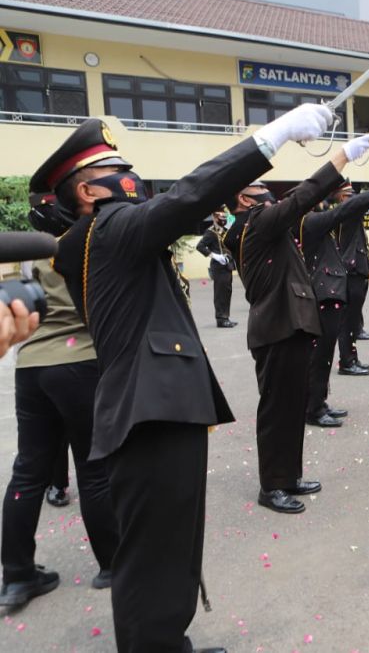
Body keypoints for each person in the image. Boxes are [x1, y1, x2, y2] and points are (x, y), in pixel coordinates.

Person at [36, 105, 332, 653]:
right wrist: (272, 138)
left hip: (156, 408)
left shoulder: (99, 236)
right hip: (152, 412)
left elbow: (186, 211)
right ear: (87, 192)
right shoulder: (109, 226)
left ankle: (168, 643)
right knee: (153, 557)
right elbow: (190, 196)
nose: (128, 176)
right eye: (112, 169)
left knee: (167, 548)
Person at [232, 133, 369, 514]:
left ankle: (289, 476)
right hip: (275, 328)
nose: (268, 198)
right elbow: (302, 197)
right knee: (277, 411)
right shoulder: (257, 224)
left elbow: (297, 203)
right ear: (244, 200)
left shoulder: (267, 225)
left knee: (293, 409)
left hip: (291, 326)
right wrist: (341, 157)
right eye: (260, 193)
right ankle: (272, 486)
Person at [1, 210, 119, 606]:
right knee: (93, 468)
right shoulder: (81, 241)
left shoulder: (27, 252)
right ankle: (112, 565)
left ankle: (17, 576)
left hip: (32, 364)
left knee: (28, 470)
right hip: (79, 359)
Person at [301, 170, 369, 427]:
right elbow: (344, 210)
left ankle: (318, 402)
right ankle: (312, 408)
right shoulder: (310, 220)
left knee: (324, 354)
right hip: (324, 292)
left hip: (331, 290)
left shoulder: (316, 218)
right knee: (320, 355)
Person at [333, 181, 369, 375]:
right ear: (342, 197)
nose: (353, 198)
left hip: (357, 271)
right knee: (348, 323)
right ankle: (347, 362)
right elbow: (362, 204)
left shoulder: (348, 213)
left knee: (352, 323)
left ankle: (352, 358)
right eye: (350, 195)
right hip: (351, 272)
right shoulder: (345, 213)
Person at [195, 209, 238, 328]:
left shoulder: (225, 228)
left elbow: (233, 218)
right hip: (218, 266)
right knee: (220, 293)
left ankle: (226, 317)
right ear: (214, 217)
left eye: (224, 216)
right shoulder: (211, 232)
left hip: (227, 265)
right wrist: (215, 255)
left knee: (227, 292)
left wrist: (226, 210)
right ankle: (221, 319)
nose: (223, 218)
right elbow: (200, 246)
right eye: (220, 216)